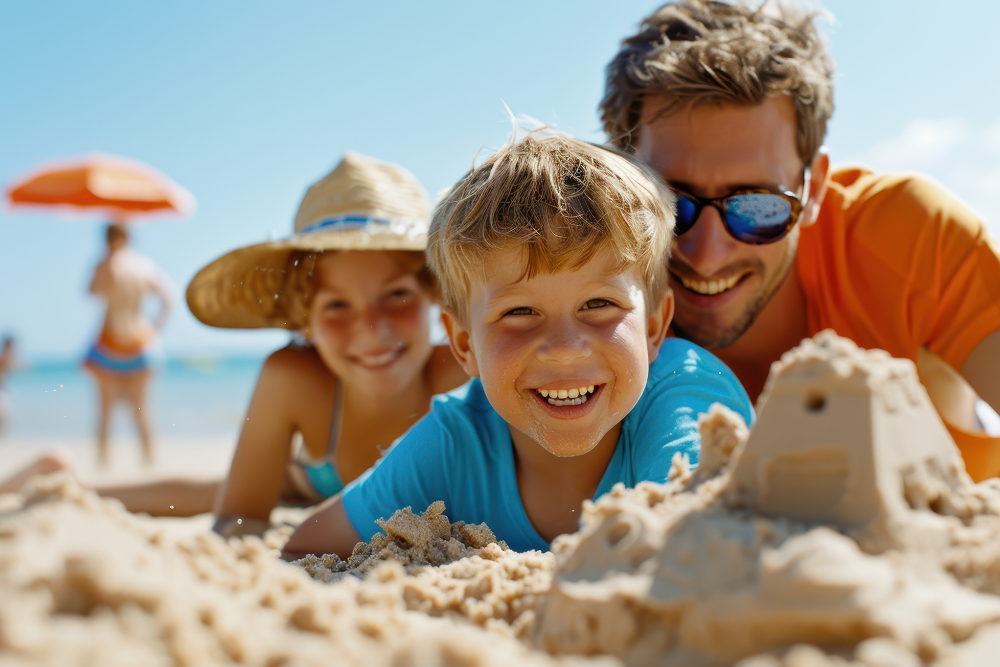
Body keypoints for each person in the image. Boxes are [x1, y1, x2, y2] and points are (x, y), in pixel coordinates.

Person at [283, 132, 754, 558]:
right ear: (464, 344)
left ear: (654, 329)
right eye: (519, 313)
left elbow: (705, 538)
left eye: (598, 303)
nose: (564, 348)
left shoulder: (685, 393)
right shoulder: (453, 441)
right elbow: (305, 547)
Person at [599, 0, 1000, 481]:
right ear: (618, 181)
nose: (706, 256)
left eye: (757, 207)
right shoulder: (576, 274)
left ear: (815, 189)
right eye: (669, 203)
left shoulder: (908, 236)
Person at [0, 153, 469, 531]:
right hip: (311, 484)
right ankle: (62, 486)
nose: (371, 327)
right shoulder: (295, 377)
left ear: (434, 293)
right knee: (214, 495)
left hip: (331, 494)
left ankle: (63, 482)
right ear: (303, 318)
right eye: (337, 306)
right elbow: (237, 520)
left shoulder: (461, 377)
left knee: (211, 490)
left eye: (396, 296)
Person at [85, 223, 172, 466]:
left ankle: (103, 465)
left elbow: (91, 291)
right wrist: (154, 330)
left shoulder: (106, 265)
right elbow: (168, 299)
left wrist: (105, 267)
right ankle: (149, 463)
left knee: (106, 411)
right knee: (141, 410)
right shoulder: (144, 266)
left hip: (109, 340)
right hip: (140, 339)